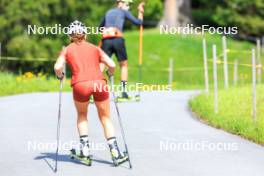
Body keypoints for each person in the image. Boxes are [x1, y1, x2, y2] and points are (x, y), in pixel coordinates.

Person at [54, 20, 128, 165]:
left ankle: (85, 152)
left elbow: (58, 67)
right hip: (99, 83)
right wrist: (110, 73)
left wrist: (60, 75)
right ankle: (116, 153)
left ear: (70, 36)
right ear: (85, 35)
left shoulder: (67, 49)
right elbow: (112, 64)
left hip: (80, 85)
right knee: (105, 117)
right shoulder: (95, 48)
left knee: (82, 115)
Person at [99, 0, 144, 99]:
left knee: (102, 64)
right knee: (123, 65)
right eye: (127, 4)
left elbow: (99, 28)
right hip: (118, 39)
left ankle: (94, 92)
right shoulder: (124, 12)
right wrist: (140, 11)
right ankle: (123, 92)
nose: (128, 7)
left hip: (106, 40)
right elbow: (138, 22)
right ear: (121, 4)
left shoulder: (108, 12)